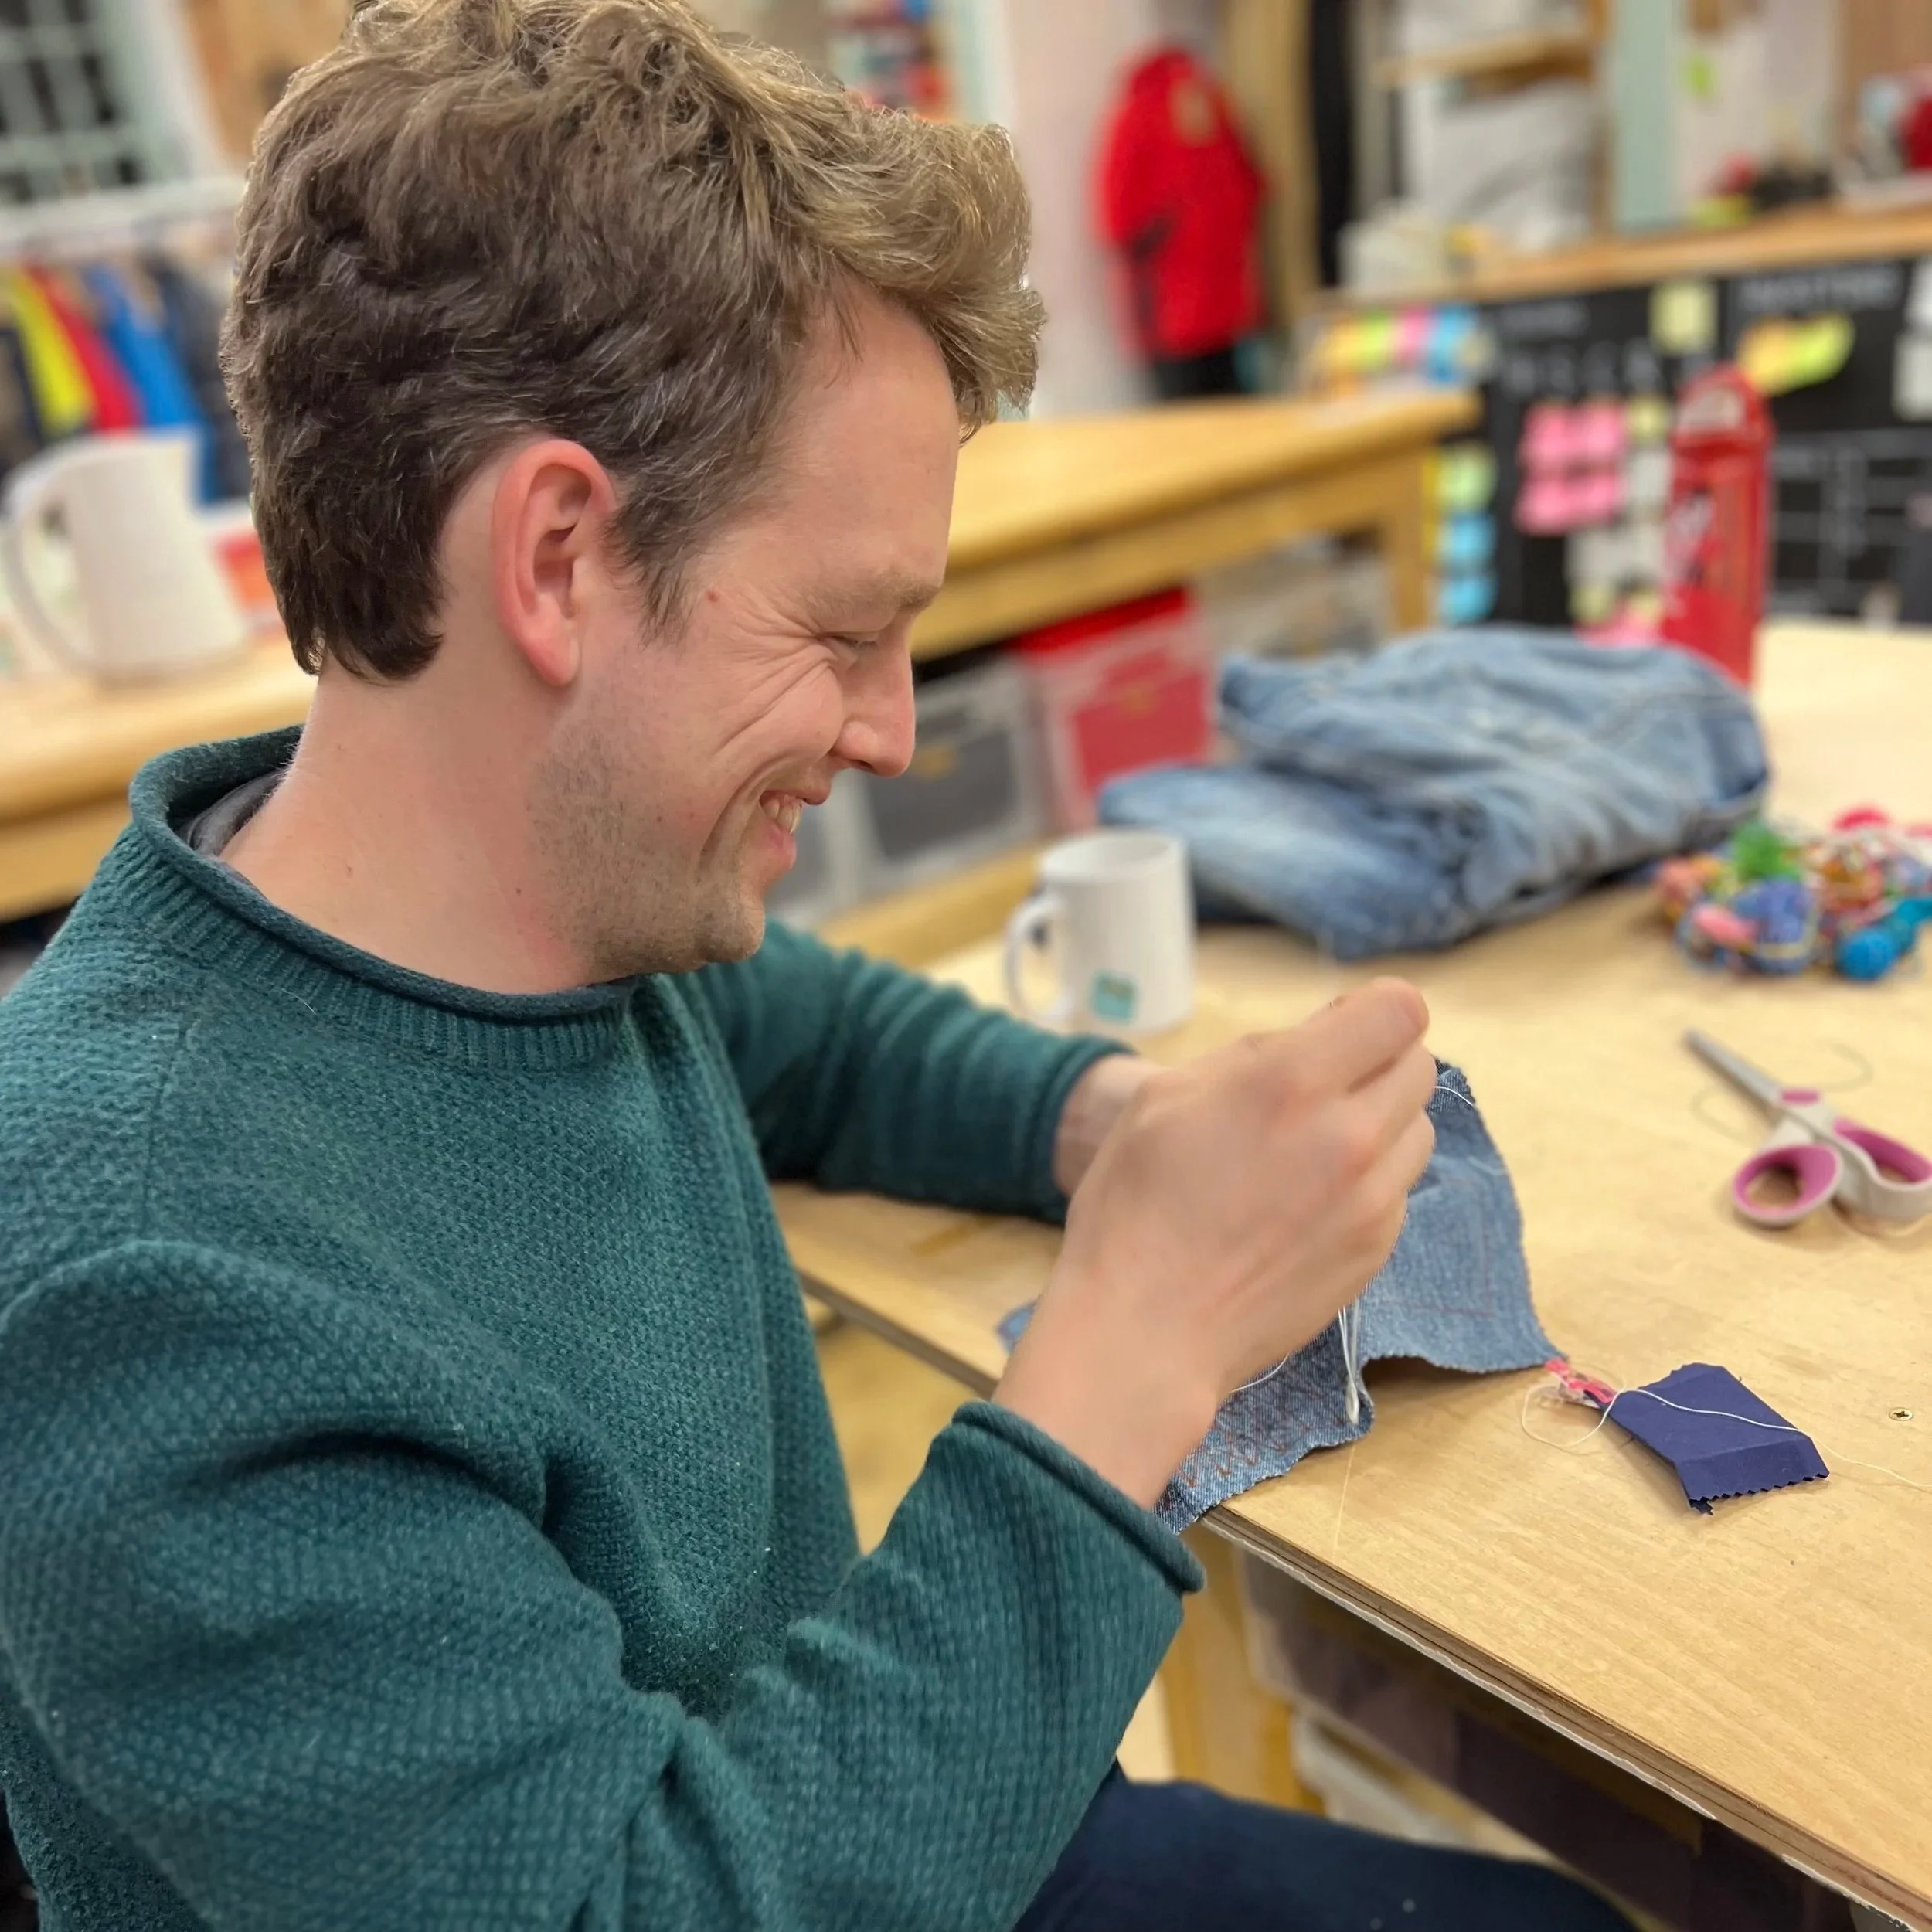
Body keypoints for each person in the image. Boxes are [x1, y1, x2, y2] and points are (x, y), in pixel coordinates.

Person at [0, 5, 1632, 1927]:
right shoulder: (153, 1273)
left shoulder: (525, 904)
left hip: (808, 1799)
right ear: (556, 560)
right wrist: (1131, 1348)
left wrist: (1102, 1117)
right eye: (844, 626)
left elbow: (786, 1029)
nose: (886, 726)